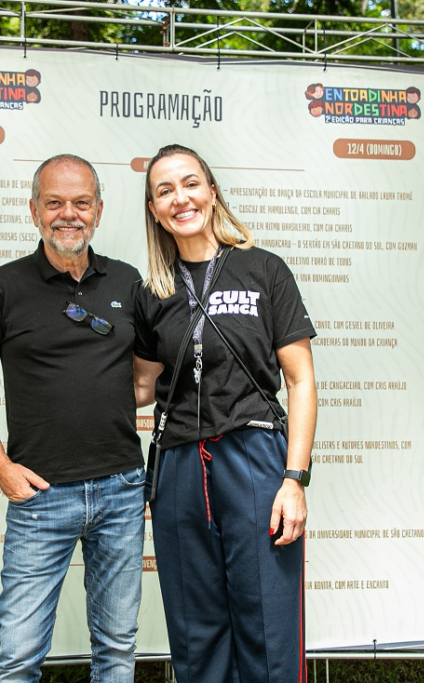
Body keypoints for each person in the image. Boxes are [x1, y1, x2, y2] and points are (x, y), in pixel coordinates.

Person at [0, 154, 152, 683]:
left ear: (99, 211)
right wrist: (1, 468)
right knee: (18, 655)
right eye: (55, 203)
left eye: (81, 203)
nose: (69, 214)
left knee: (117, 648)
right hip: (40, 495)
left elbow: (143, 380)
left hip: (120, 489)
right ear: (34, 211)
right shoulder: (3, 287)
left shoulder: (128, 282)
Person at [134, 144, 318, 683]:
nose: (180, 198)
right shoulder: (152, 293)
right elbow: (141, 385)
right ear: (154, 210)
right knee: (196, 635)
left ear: (212, 192)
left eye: (190, 184)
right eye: (165, 190)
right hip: (178, 467)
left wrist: (294, 479)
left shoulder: (264, 269)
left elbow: (301, 380)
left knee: (269, 629)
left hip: (254, 457)